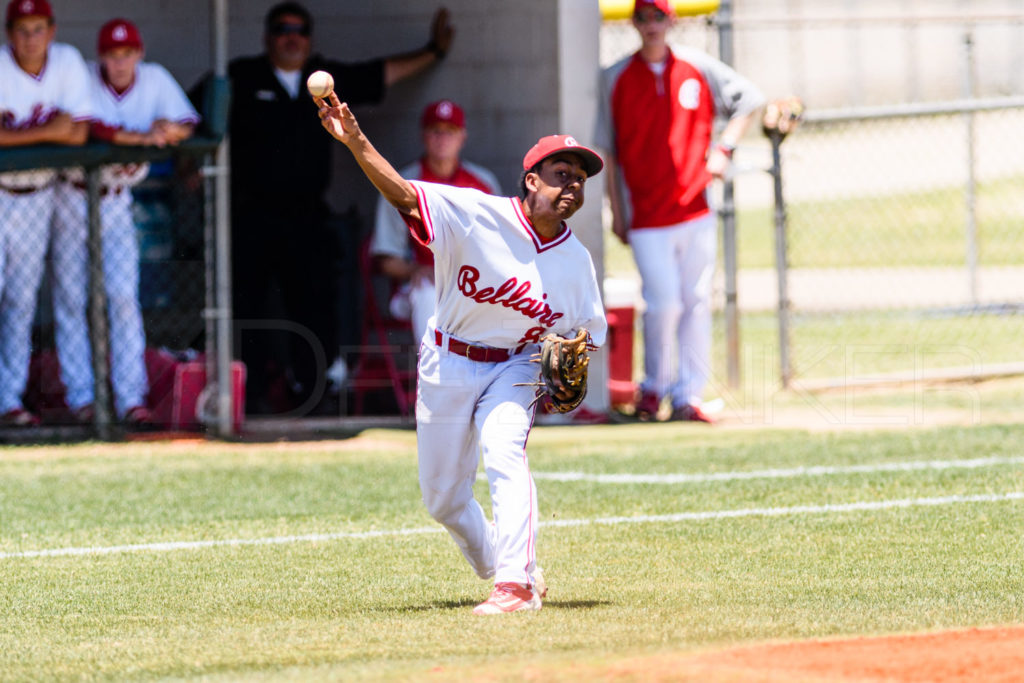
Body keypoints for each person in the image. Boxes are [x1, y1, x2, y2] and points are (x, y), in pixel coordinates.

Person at [315, 94, 607, 614]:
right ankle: (512, 570)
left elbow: (587, 332)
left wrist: (572, 358)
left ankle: (513, 586)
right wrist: (355, 140)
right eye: (561, 173)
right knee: (443, 498)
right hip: (448, 359)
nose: (573, 185)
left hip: (515, 366)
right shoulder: (475, 213)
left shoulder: (576, 261)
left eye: (580, 178)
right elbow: (404, 195)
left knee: (503, 450)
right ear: (531, 180)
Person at [208, 2, 454, 415]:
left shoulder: (323, 80)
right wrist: (187, 162)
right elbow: (194, 113)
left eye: (300, 30)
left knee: (315, 302)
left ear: (310, 37)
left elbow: (381, 73)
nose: (292, 37)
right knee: (247, 303)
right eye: (283, 29)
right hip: (251, 215)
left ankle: (314, 392)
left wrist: (434, 52)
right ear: (268, 36)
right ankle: (247, 396)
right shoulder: (241, 76)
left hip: (306, 215)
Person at [595, 0, 763, 423]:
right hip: (647, 213)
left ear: (671, 21)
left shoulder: (696, 68)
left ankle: (688, 394)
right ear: (633, 23)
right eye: (644, 17)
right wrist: (617, 208)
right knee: (663, 302)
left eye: (658, 17)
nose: (651, 25)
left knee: (695, 301)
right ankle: (652, 388)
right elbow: (609, 152)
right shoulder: (615, 78)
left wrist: (723, 150)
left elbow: (749, 100)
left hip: (694, 207)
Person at [50, 18, 199, 427]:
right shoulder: (82, 75)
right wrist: (142, 139)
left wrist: (169, 129)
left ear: (139, 53)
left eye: (126, 54)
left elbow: (190, 123)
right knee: (71, 300)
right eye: (112, 55)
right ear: (101, 56)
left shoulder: (153, 79)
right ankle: (82, 398)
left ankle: (130, 399)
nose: (119, 63)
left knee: (123, 298)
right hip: (72, 197)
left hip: (116, 200)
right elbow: (92, 128)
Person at [0, 0, 92, 427]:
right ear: (8, 33)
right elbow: (62, 130)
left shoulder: (68, 61)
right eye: (21, 29)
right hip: (1, 192)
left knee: (20, 302)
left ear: (51, 31)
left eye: (38, 28)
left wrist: (16, 138)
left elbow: (79, 133)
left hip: (40, 196)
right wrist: (48, 132)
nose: (30, 38)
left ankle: (9, 401)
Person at [370, 99, 501, 344]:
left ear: (462, 137)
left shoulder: (483, 182)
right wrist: (414, 269)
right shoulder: (402, 185)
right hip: (420, 286)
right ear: (423, 136)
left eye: (450, 132)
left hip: (473, 283)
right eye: (435, 131)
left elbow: (500, 249)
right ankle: (434, 378)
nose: (442, 138)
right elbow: (386, 259)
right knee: (428, 292)